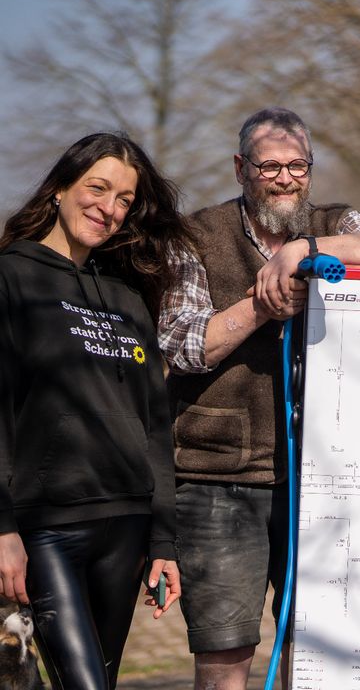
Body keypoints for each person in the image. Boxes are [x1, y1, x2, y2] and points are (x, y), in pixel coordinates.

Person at [158, 106, 360, 689]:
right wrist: (260, 305)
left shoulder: (335, 220)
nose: (286, 177)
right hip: (220, 476)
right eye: (270, 166)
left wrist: (300, 251)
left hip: (320, 482)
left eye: (298, 164)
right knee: (226, 656)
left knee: (315, 650)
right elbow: (185, 344)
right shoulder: (192, 236)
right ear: (241, 168)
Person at [0, 132, 187, 690]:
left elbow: (154, 425)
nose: (109, 208)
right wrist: (2, 528)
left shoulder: (129, 297)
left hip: (126, 528)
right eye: (97, 188)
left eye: (124, 199)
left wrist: (163, 541)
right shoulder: (11, 277)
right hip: (46, 525)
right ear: (60, 188)